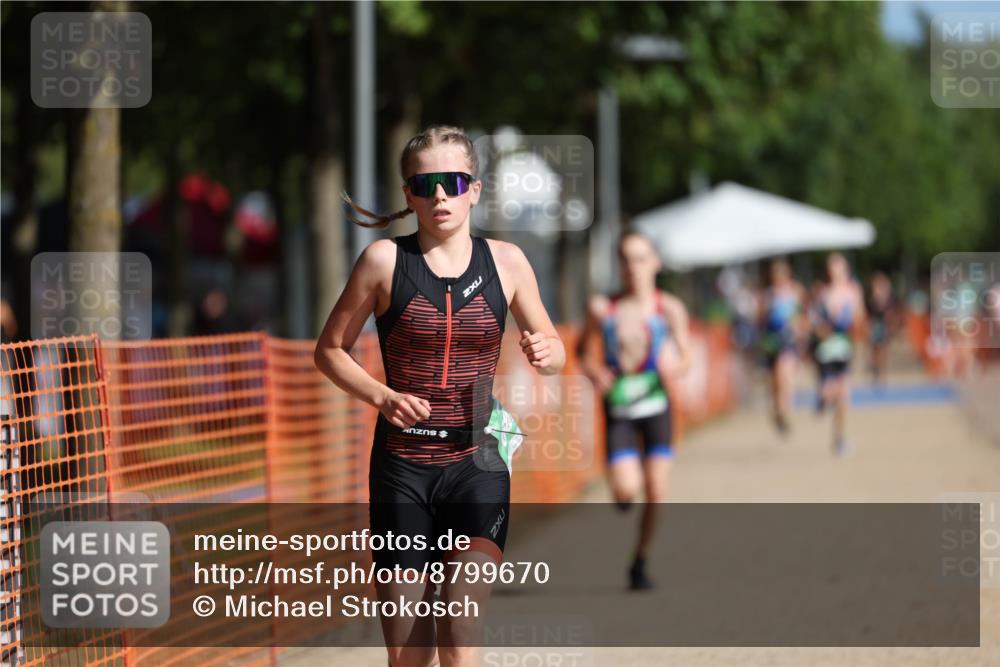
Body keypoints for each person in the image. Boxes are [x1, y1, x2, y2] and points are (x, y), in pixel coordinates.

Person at [314, 125, 565, 667]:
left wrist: (548, 352)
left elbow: (556, 348)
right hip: (403, 468)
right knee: (409, 654)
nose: (440, 196)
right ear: (408, 194)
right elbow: (329, 351)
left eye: (453, 182)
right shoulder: (383, 261)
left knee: (458, 634)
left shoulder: (508, 262)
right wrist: (382, 396)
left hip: (478, 462)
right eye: (424, 184)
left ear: (474, 188)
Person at [577, 231, 691, 591]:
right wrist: (596, 372)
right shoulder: (602, 308)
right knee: (627, 490)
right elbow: (582, 351)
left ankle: (639, 562)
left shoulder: (668, 308)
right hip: (620, 409)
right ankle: (625, 493)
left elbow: (687, 355)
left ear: (655, 263)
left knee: (656, 492)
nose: (633, 267)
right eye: (626, 259)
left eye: (641, 258)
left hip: (657, 405)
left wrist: (676, 366)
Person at [812, 253, 866, 456]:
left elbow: (859, 319)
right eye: (832, 267)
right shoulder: (823, 293)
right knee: (832, 389)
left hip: (844, 347)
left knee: (843, 399)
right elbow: (816, 323)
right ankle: (823, 397)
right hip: (827, 349)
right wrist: (824, 329)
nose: (836, 271)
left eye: (839, 267)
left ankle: (838, 439)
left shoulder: (853, 291)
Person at [757, 259, 806, 435]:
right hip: (772, 341)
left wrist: (800, 335)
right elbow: (761, 319)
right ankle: (777, 410)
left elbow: (802, 316)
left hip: (789, 340)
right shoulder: (768, 294)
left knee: (784, 376)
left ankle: (784, 410)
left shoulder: (795, 291)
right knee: (774, 382)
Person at [865, 271, 898, 385]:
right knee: (875, 351)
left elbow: (892, 314)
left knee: (883, 351)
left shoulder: (889, 299)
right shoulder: (871, 299)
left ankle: (882, 375)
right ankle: (875, 372)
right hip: (875, 326)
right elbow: (869, 315)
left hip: (884, 326)